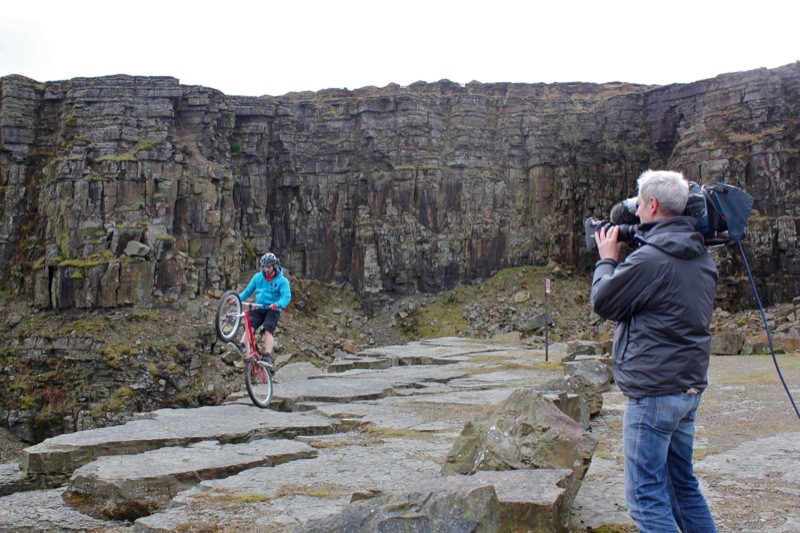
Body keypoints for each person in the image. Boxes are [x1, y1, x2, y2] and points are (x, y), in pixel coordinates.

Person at [590, 170, 718, 532]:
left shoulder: (652, 259)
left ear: (654, 204)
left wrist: (607, 259)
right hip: (687, 388)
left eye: (641, 204)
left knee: (645, 498)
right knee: (682, 487)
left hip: (655, 394)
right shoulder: (699, 255)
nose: (636, 211)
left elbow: (604, 300)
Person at [229, 252, 291, 368]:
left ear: (274, 266)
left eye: (268, 267)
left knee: (268, 330)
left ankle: (267, 356)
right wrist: (237, 299)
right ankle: (241, 345)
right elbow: (248, 291)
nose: (266, 269)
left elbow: (286, 297)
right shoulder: (258, 277)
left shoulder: (282, 281)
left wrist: (277, 304)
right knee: (249, 326)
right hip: (259, 307)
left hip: (273, 310)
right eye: (264, 267)